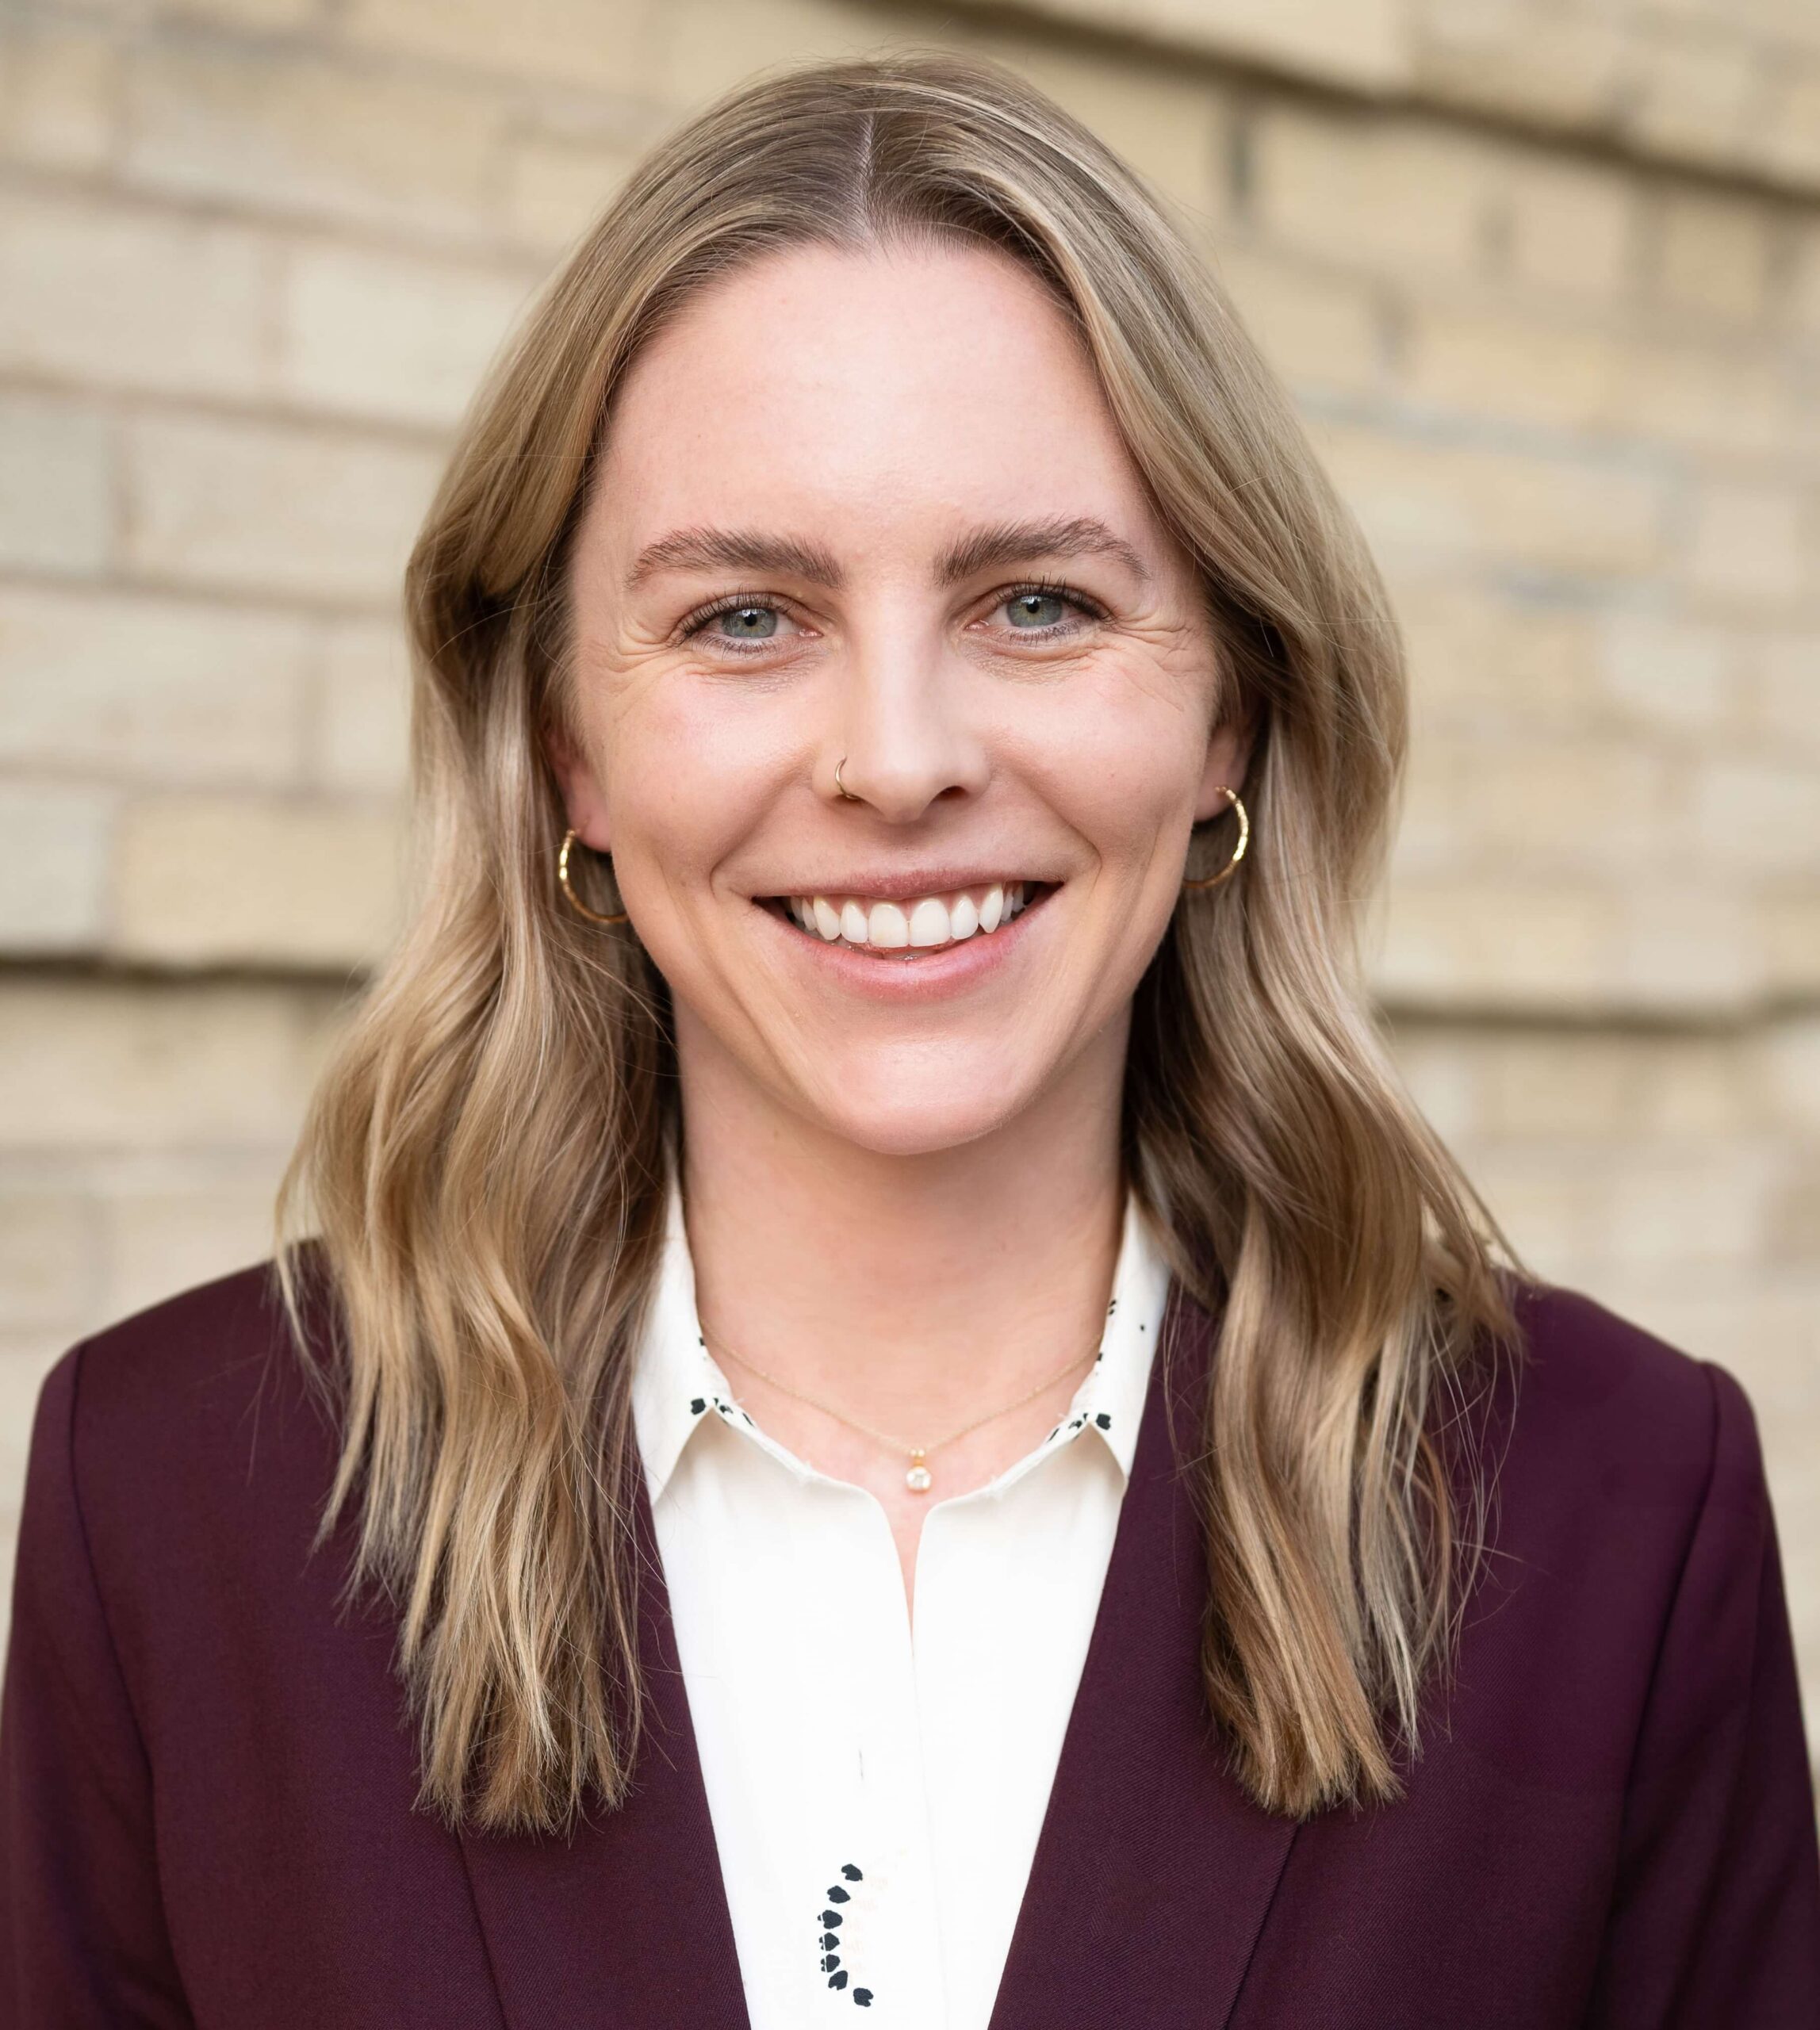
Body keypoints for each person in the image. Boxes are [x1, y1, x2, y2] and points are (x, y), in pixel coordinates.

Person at [2, 51, 1815, 2030]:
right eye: (743, 620)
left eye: (1035, 602)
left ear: (1228, 717)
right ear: (562, 750)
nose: (898, 760)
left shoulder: (1617, 1509)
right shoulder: (174, 1503)